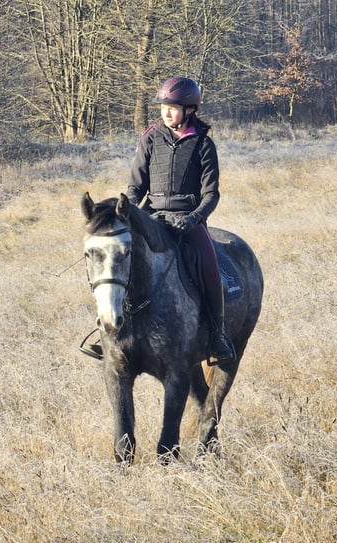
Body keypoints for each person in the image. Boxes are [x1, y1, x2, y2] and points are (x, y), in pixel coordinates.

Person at [125, 76, 235, 364]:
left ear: (189, 109)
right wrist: (127, 213)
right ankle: (115, 330)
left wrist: (194, 219)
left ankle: (217, 333)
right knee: (120, 260)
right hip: (153, 217)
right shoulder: (150, 138)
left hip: (188, 220)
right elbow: (135, 187)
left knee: (210, 267)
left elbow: (211, 194)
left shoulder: (203, 145)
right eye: (163, 107)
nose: (166, 112)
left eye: (172, 107)